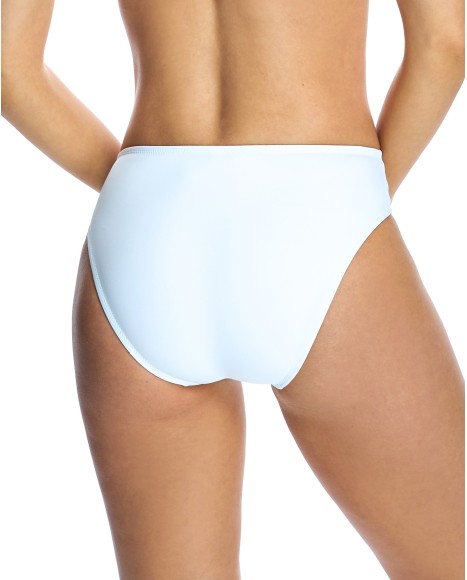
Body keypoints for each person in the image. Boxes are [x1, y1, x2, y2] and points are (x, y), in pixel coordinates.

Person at [2, 0, 465, 578]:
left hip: (145, 234)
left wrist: (143, 188)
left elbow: (9, 68)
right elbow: (445, 45)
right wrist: (350, 207)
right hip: (317, 207)